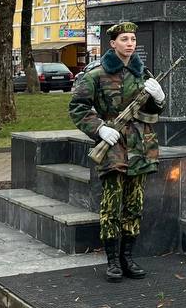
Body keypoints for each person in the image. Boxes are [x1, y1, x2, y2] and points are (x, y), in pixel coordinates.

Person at [69, 21, 165, 282]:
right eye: (124, 39)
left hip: (141, 145)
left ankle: (127, 258)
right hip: (112, 145)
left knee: (134, 204)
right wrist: (99, 129)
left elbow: (151, 112)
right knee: (112, 205)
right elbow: (78, 107)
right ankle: (112, 261)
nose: (130, 44)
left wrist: (159, 99)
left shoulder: (142, 74)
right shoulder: (96, 74)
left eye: (132, 39)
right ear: (113, 43)